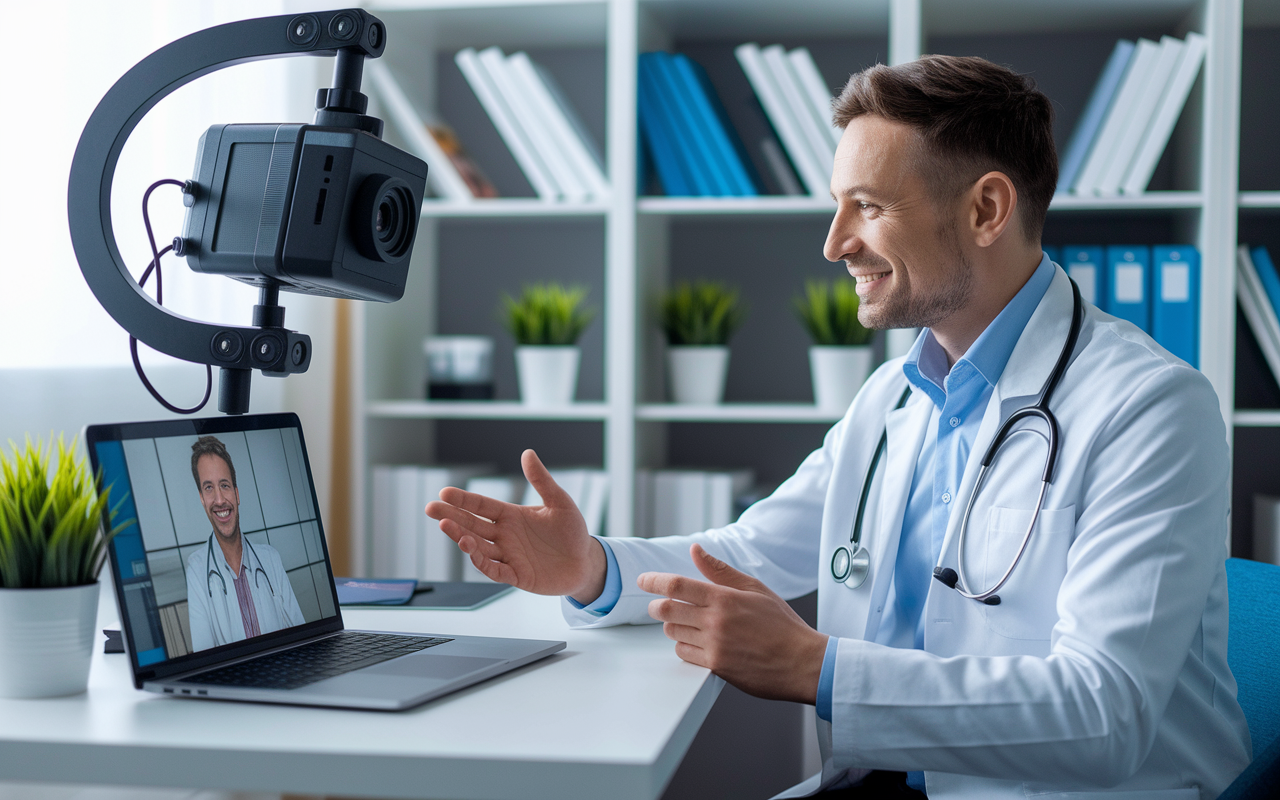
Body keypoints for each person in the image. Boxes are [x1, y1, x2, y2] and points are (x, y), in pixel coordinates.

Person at [426, 55, 1250, 799]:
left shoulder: (1150, 409)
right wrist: (592, 566)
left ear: (987, 209)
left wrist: (815, 668)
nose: (833, 244)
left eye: (867, 207)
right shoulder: (893, 398)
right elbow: (749, 555)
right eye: (836, 208)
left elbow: (1104, 716)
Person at [185, 435, 304, 652]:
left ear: (237, 494)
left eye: (225, 485)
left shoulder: (270, 558)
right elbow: (205, 658)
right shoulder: (196, 568)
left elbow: (302, 636)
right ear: (202, 498)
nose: (220, 500)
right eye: (209, 488)